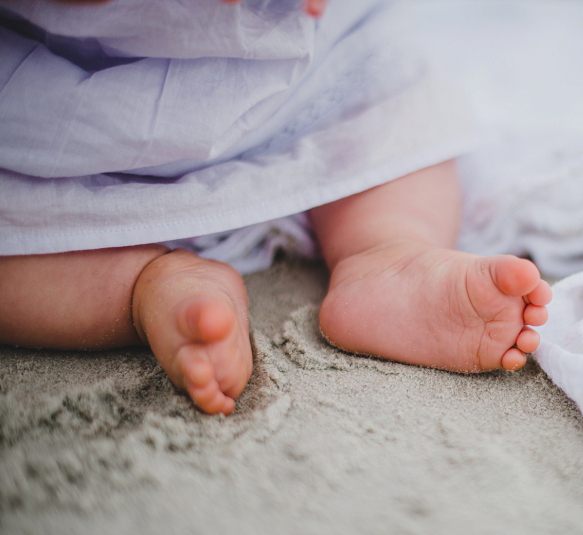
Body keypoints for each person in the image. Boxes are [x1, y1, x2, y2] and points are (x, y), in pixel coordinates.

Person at [0, 0, 551, 416]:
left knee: (389, 113)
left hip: (282, 74)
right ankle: (144, 282)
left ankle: (390, 249)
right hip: (60, 106)